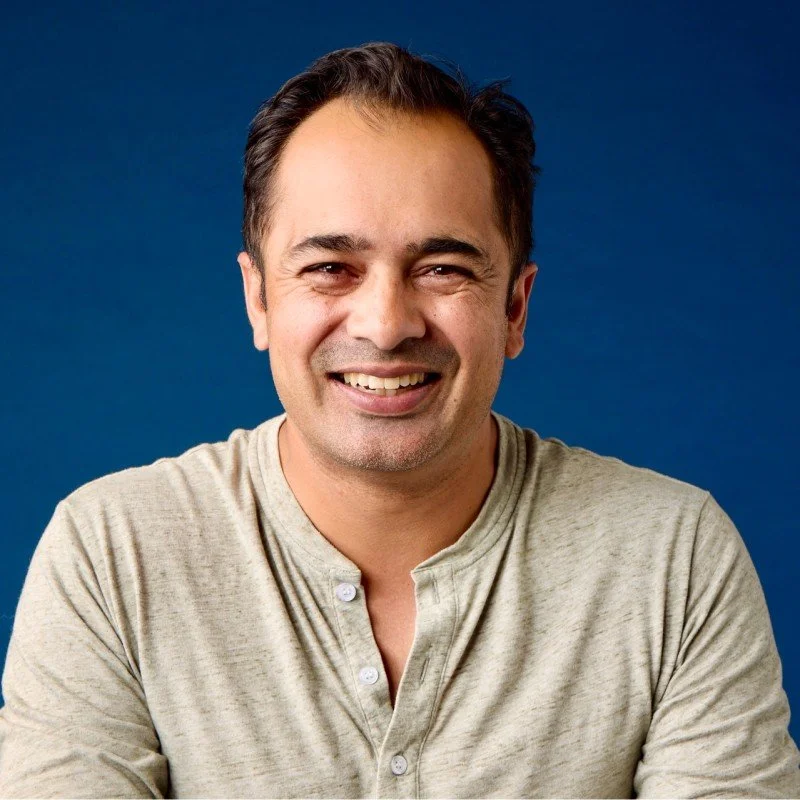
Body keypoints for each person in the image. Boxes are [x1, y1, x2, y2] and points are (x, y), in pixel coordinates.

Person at [0, 41, 797, 799]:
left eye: (442, 268)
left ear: (515, 308)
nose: (385, 326)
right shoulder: (112, 554)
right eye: (330, 268)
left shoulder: (672, 559)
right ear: (258, 300)